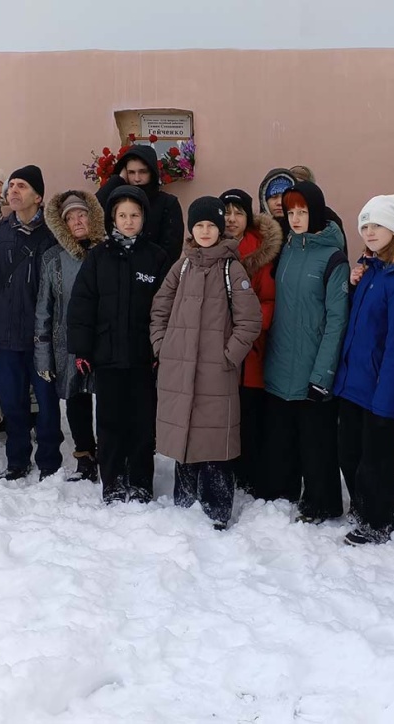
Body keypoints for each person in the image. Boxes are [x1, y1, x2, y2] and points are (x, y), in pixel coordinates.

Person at [150, 197, 262, 528]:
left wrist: (229, 356)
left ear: (220, 229)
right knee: (185, 436)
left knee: (214, 442)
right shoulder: (182, 266)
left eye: (211, 225)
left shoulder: (231, 269)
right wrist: (162, 346)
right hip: (179, 367)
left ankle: (216, 510)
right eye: (199, 225)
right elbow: (160, 307)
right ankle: (185, 505)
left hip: (216, 371)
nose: (205, 231)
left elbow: (249, 320)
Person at [333, 195, 394, 545]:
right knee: (349, 453)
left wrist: (387, 396)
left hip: (378, 387)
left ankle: (377, 520)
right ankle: (361, 506)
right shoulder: (370, 270)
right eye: (365, 226)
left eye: (377, 225)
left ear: (393, 229)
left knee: (377, 458)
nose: (370, 232)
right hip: (352, 381)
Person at [68, 185, 167, 504]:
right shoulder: (98, 257)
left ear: (143, 218)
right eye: (122, 215)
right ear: (113, 218)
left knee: (142, 423)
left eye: (135, 215)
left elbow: (167, 307)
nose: (128, 221)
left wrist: (160, 349)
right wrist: (82, 349)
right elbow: (82, 304)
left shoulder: (156, 257)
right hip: (107, 356)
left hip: (142, 358)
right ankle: (112, 481)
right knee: (109, 423)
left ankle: (140, 482)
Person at [261, 181, 350, 523]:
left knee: (317, 442)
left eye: (303, 211)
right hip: (281, 363)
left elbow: (337, 321)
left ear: (317, 213)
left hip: (314, 364)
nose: (296, 218)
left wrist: (322, 374)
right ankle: (282, 493)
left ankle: (322, 503)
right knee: (284, 438)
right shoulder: (286, 250)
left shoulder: (333, 258)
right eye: (291, 212)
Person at [0, 165, 63, 480]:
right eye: (12, 185)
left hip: (42, 336)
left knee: (46, 402)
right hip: (6, 335)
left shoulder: (53, 234)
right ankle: (16, 460)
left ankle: (49, 460)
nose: (13, 191)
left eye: (22, 186)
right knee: (12, 402)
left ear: (38, 196)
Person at [218, 188, 283, 493]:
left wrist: (248, 329)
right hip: (217, 346)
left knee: (249, 411)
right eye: (227, 212)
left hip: (252, 347)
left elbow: (268, 300)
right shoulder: (212, 245)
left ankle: (249, 472)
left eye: (238, 213)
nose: (231, 219)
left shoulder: (259, 252)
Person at [39, 190, 106, 482]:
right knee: (76, 399)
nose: (77, 221)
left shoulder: (108, 252)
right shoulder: (53, 258)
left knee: (106, 400)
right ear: (62, 224)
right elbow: (44, 309)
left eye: (82, 215)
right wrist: (43, 354)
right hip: (66, 342)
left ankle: (108, 454)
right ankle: (85, 456)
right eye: (70, 218)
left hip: (104, 339)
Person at [94, 145, 183, 277]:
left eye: (142, 172)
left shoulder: (167, 203)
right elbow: (94, 211)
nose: (137, 178)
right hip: (117, 273)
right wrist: (118, 179)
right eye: (131, 172)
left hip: (152, 277)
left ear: (152, 172)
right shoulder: (119, 201)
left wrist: (149, 276)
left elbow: (171, 250)